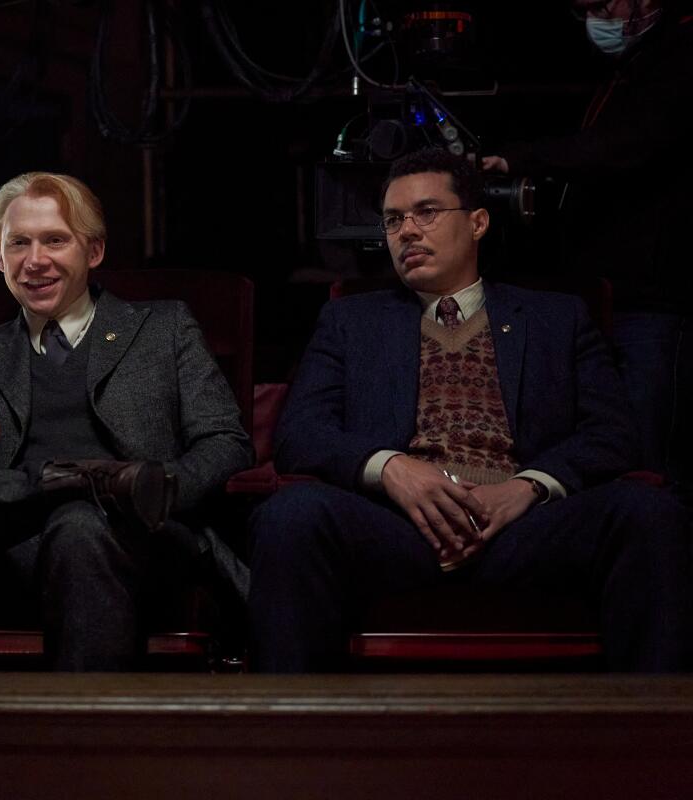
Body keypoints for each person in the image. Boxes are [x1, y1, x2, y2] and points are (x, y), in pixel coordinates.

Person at [249, 147, 692, 672]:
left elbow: (614, 433)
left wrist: (526, 488)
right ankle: (290, 740)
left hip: (525, 527)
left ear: (478, 222)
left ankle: (652, 740)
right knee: (289, 516)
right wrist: (392, 469)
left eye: (427, 212)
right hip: (397, 527)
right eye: (393, 220)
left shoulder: (557, 317)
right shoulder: (350, 321)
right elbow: (301, 433)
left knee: (649, 512)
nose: (407, 231)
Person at [0, 171, 252, 670]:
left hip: (136, 546)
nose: (34, 261)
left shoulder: (163, 327)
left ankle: (78, 743)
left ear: (93, 252)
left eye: (54, 240)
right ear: (0, 258)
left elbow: (226, 443)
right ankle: (61, 485)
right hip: (4, 551)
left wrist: (157, 492)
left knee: (77, 523)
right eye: (18, 244)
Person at [482, 0, 693, 492]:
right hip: (617, 298)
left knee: (650, 464)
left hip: (658, 303)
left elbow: (623, 146)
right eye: (584, 8)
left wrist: (517, 160)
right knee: (614, 452)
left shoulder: (681, 53)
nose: (597, 17)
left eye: (604, 3)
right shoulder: (630, 66)